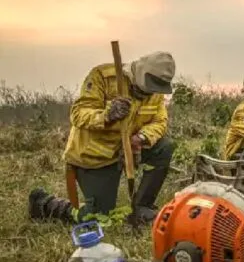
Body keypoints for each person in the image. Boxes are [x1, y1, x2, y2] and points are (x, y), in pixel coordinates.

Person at [28, 51, 177, 224]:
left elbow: (160, 121)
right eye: (149, 86)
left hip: (127, 149)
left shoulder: (156, 92)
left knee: (164, 147)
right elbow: (78, 114)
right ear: (140, 72)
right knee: (98, 217)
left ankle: (142, 207)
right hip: (94, 157)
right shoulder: (103, 77)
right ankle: (45, 204)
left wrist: (141, 138)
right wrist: (107, 116)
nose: (150, 93)